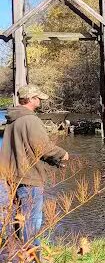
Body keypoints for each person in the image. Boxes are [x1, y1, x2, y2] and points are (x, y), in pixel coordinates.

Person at [0, 85, 68, 247]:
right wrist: (62, 155)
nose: (40, 101)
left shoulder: (13, 119)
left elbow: (26, 149)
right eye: (38, 98)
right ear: (30, 99)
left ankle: (18, 256)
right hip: (29, 178)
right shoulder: (31, 120)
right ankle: (32, 259)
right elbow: (42, 147)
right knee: (32, 220)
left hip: (13, 176)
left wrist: (54, 162)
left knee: (20, 218)